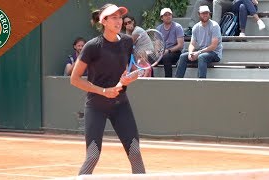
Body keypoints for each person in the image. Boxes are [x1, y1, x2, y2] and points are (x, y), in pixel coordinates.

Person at [70, 3, 146, 175]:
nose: (118, 21)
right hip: (96, 106)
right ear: (103, 21)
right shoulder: (92, 46)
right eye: (114, 17)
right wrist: (104, 91)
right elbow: (74, 79)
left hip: (121, 105)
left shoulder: (127, 42)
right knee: (93, 156)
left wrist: (130, 78)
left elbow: (131, 72)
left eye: (120, 17)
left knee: (135, 152)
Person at [175, 6, 223, 78]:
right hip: (202, 52)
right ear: (199, 14)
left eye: (207, 13)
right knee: (183, 56)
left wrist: (198, 52)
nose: (205, 15)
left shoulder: (214, 26)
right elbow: (192, 44)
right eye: (203, 13)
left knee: (201, 57)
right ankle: (177, 80)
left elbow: (213, 46)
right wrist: (191, 52)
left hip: (215, 53)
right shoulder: (195, 27)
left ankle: (201, 82)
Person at [156, 8, 184, 77]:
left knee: (166, 57)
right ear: (161, 18)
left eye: (169, 15)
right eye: (165, 15)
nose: (168, 16)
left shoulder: (178, 27)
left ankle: (168, 79)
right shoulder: (158, 28)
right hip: (163, 52)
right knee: (148, 57)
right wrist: (157, 53)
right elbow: (157, 44)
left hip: (175, 53)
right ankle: (149, 79)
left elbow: (180, 45)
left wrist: (168, 51)